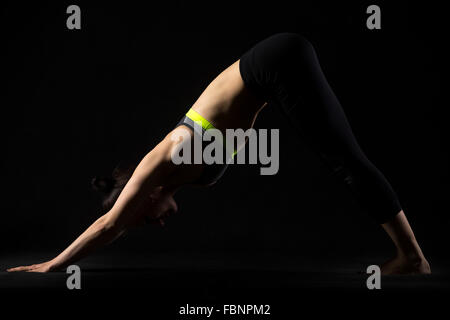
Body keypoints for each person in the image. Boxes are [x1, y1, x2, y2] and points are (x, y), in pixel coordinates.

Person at [7, 33, 430, 275]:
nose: (158, 222)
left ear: (144, 196)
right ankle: (411, 256)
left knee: (345, 161)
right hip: (272, 75)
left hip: (276, 63)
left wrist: (54, 263)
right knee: (342, 159)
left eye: (146, 217)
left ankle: (412, 258)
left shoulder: (161, 160)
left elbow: (109, 226)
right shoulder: (180, 176)